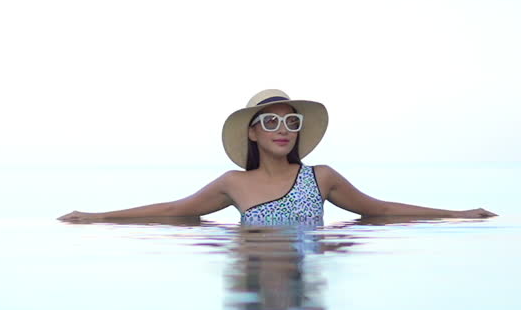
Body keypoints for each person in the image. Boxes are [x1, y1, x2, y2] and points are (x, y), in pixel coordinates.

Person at [58, 89, 496, 225]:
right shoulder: (234, 183)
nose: (282, 131)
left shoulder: (321, 178)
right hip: (250, 262)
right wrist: (96, 217)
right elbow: (176, 211)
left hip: (310, 260)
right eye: (270, 122)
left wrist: (457, 215)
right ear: (252, 131)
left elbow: (378, 211)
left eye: (291, 123)